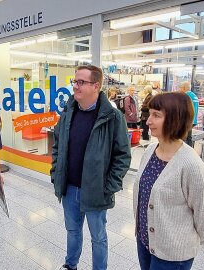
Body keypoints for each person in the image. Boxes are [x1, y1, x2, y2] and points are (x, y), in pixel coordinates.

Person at [51, 65, 131, 270]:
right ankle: (71, 265)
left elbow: (122, 156)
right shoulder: (68, 112)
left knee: (98, 237)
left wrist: (109, 187)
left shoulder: (112, 117)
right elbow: (58, 145)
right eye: (74, 81)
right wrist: (56, 174)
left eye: (81, 82)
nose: (75, 86)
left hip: (96, 191)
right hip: (69, 188)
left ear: (96, 86)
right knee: (72, 231)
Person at [133, 92, 204, 270]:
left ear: (175, 119)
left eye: (156, 115)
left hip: (172, 254)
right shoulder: (150, 151)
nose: (148, 121)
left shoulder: (191, 165)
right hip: (145, 241)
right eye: (150, 114)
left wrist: (180, 242)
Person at [179, 81, 199, 147]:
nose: (179, 89)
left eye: (180, 88)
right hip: (194, 120)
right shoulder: (194, 96)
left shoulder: (185, 96)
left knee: (183, 137)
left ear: (184, 88)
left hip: (187, 119)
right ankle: (190, 150)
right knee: (189, 137)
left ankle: (184, 152)